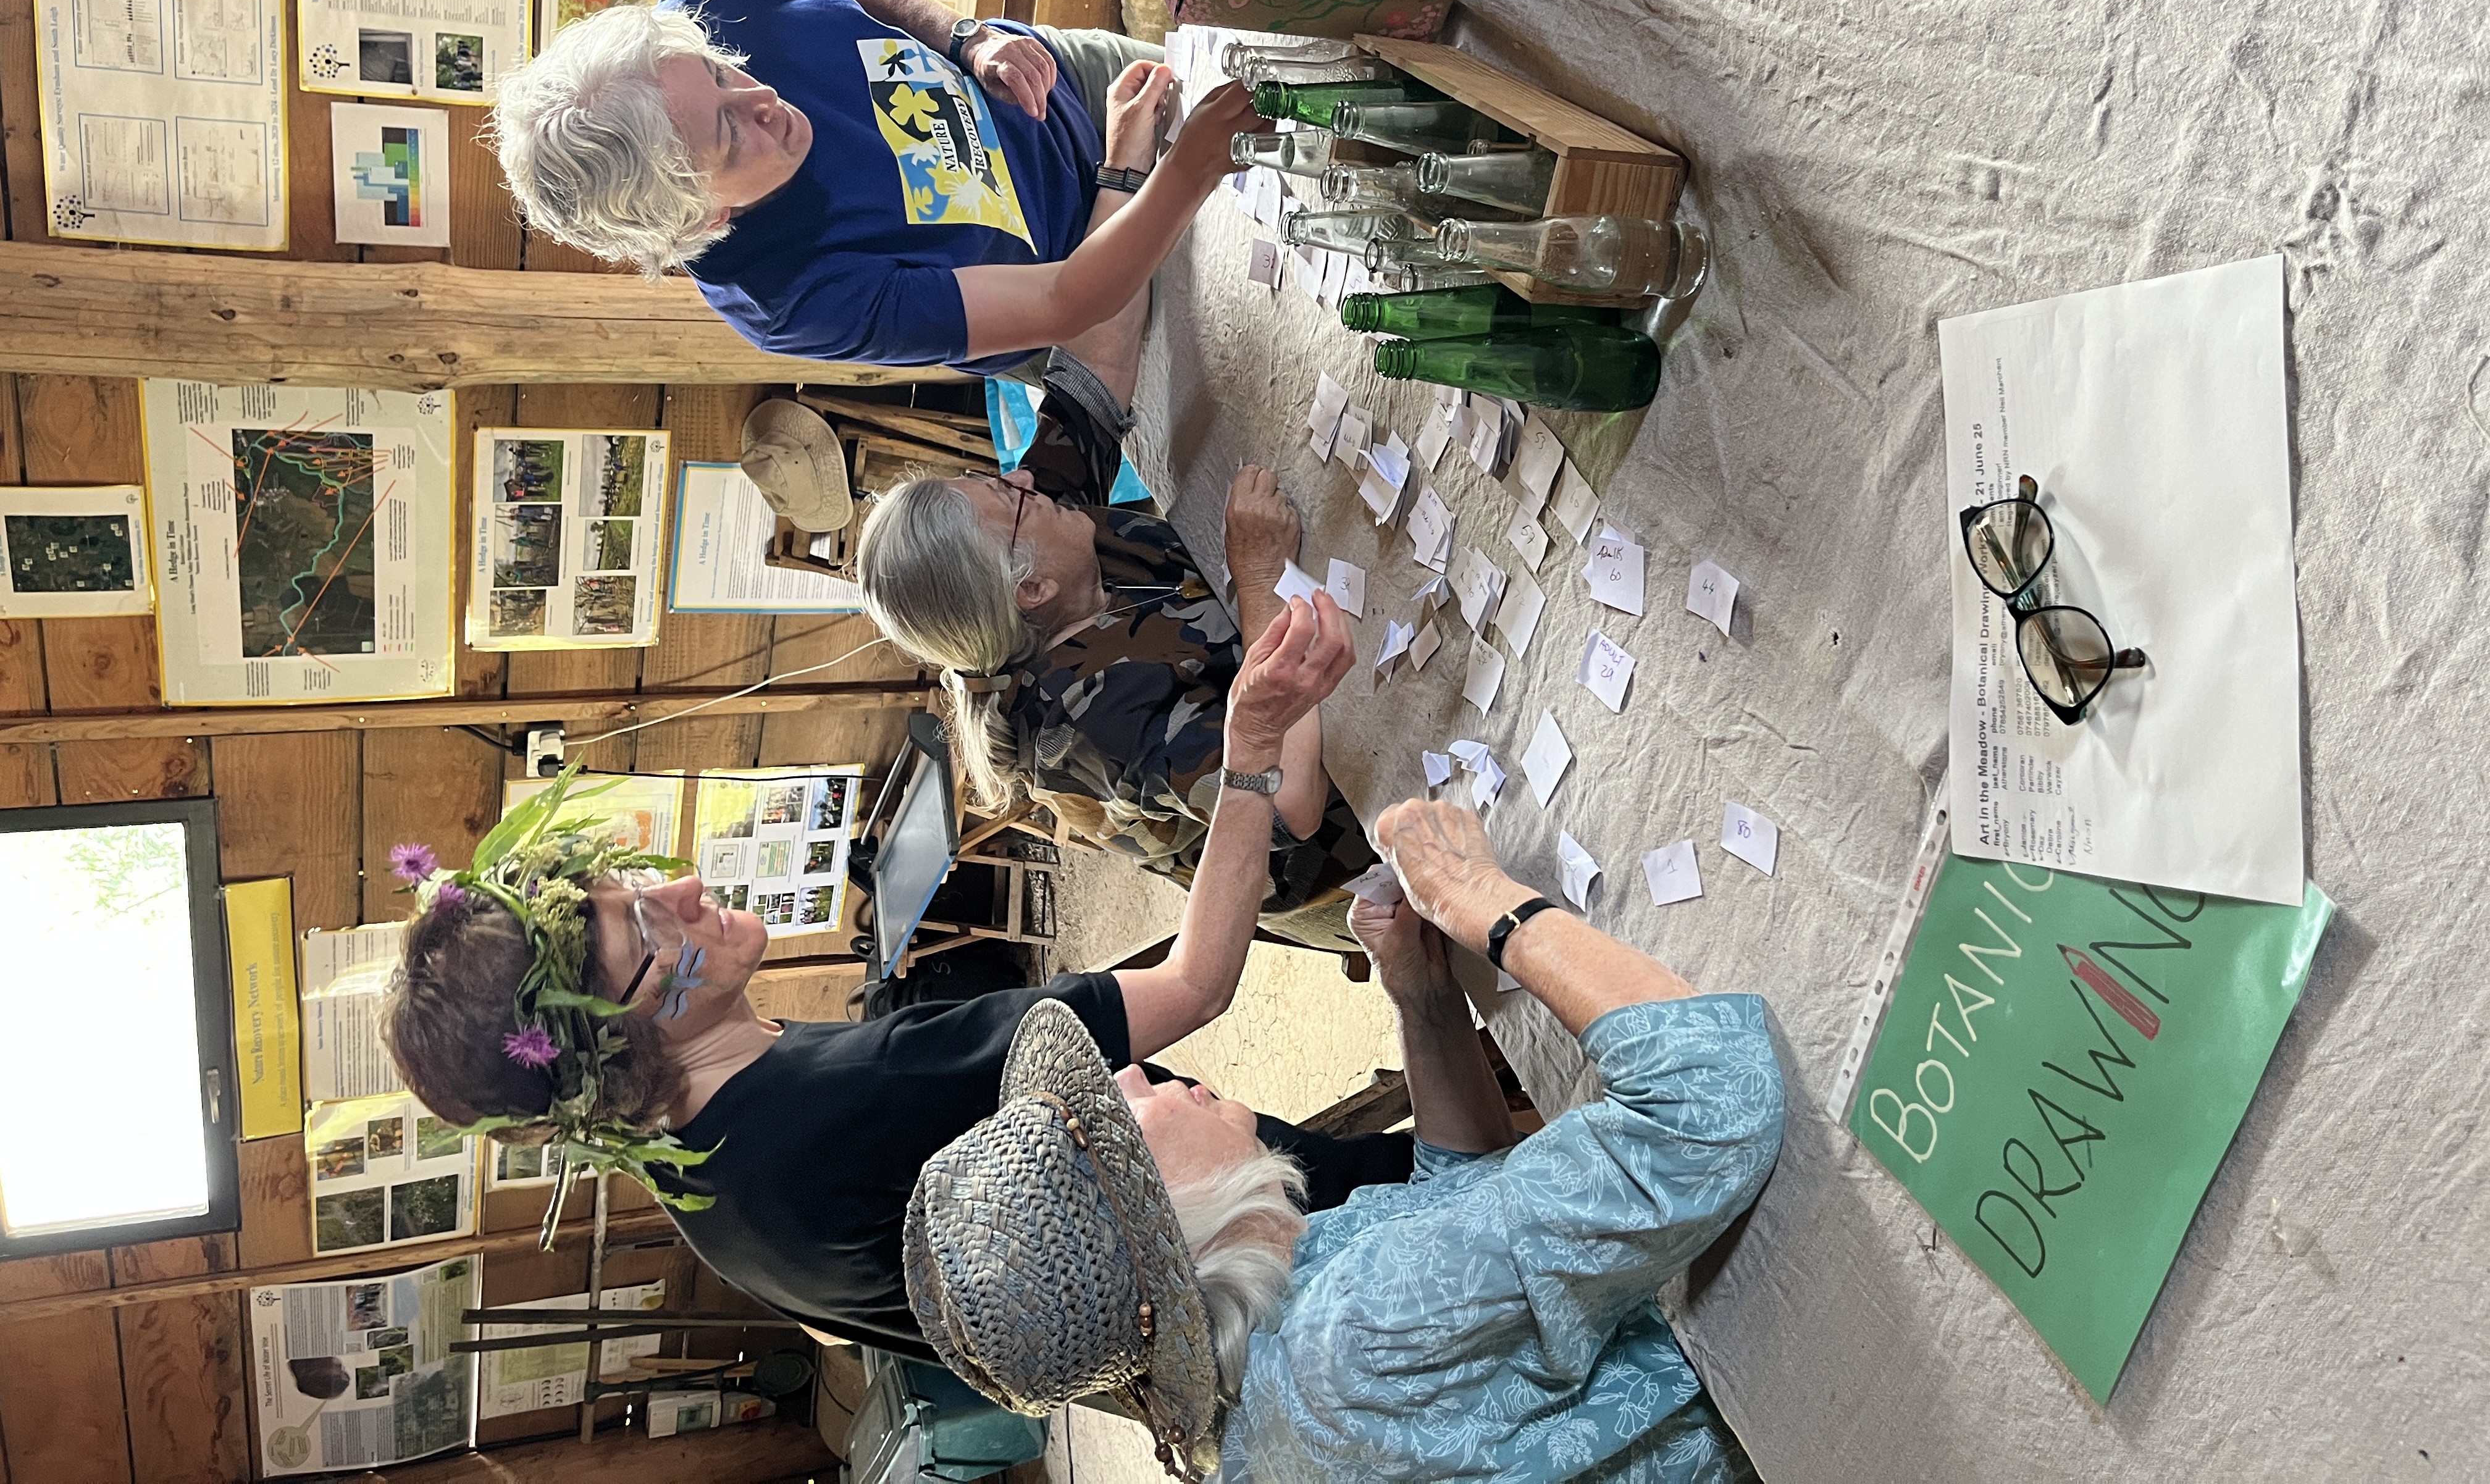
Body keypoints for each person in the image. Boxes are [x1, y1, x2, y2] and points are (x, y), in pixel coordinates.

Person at [378, 597, 1407, 1365]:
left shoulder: (693, 1186)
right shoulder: (861, 1090)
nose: (683, 886)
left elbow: (841, 1325)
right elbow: (1196, 981)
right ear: (620, 1041)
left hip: (1199, 1342)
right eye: (645, 924)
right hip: (1298, 1251)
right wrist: (1251, 752)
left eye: (638, 881)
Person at [905, 798, 1787, 1480]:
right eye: (1117, 1117)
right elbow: (1711, 1098)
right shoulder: (1351, 1336)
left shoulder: (1266, 1337)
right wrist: (1481, 900)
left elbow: (1461, 1198)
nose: (1134, 1075)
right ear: (1164, 1228)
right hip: (1784, 1382)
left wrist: (1423, 998)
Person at [490, 0, 1264, 371]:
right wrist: (1168, 170)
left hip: (1071, 89)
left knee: (1279, 77)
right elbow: (1068, 301)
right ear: (702, 217)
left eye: (722, 72)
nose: (762, 99)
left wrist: (967, 39)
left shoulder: (705, 7)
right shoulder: (789, 300)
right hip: (1092, 264)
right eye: (728, 133)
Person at [856, 343, 1373, 945]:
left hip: (1312, 692)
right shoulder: (1084, 725)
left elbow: (1093, 372)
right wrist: (1261, 580)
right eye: (1008, 496)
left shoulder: (1042, 538)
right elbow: (1288, 802)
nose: (1022, 478)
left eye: (993, 481)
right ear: (1032, 588)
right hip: (1340, 850)